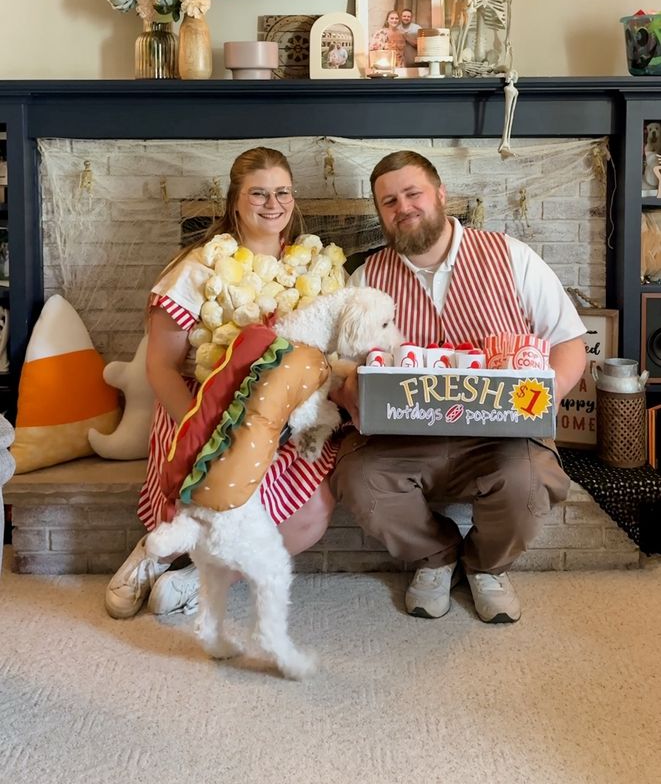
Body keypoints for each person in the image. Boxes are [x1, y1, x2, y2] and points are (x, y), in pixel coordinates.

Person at [330, 150, 586, 624]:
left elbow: (570, 344)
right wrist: (350, 398)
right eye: (389, 201)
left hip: (499, 436)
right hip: (401, 437)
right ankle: (436, 555)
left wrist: (539, 403)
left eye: (413, 193)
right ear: (380, 213)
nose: (403, 207)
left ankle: (486, 565)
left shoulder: (510, 257)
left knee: (531, 479)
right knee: (359, 479)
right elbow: (339, 367)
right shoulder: (366, 278)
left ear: (441, 195)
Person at [105, 147, 337, 619]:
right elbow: (162, 368)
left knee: (313, 513)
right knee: (206, 486)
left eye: (282, 192)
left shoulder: (315, 270)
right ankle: (150, 558)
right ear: (235, 201)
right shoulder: (196, 269)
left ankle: (199, 578)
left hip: (284, 421)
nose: (272, 204)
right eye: (258, 193)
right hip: (202, 411)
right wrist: (205, 428)